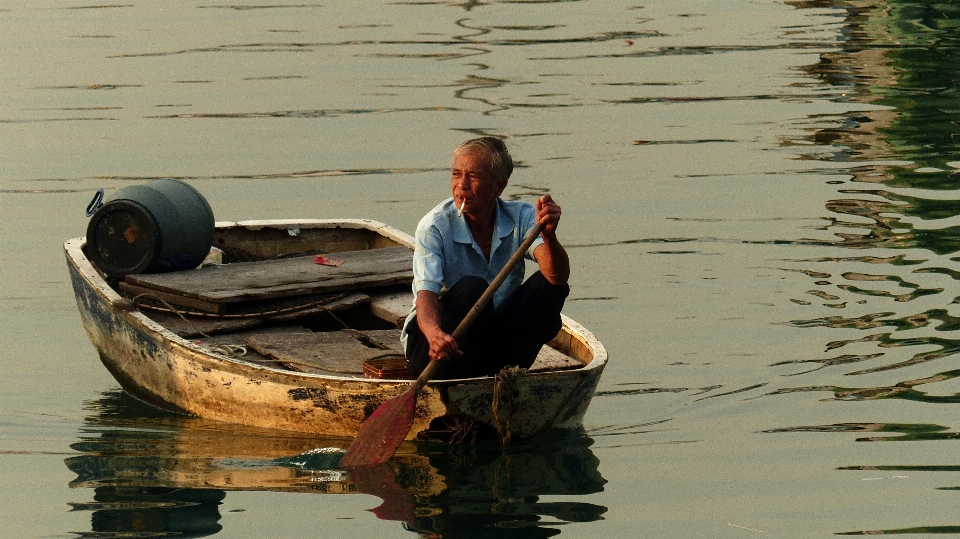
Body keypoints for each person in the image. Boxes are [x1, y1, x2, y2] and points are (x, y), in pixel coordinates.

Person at [400, 137, 570, 379]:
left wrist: (549, 236)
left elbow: (556, 275)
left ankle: (504, 369)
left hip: (491, 342)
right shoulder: (435, 226)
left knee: (549, 287)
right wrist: (435, 334)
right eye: (456, 175)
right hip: (437, 350)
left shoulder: (522, 217)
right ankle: (459, 371)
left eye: (474, 176)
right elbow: (426, 293)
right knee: (473, 287)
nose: (462, 185)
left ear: (498, 187)